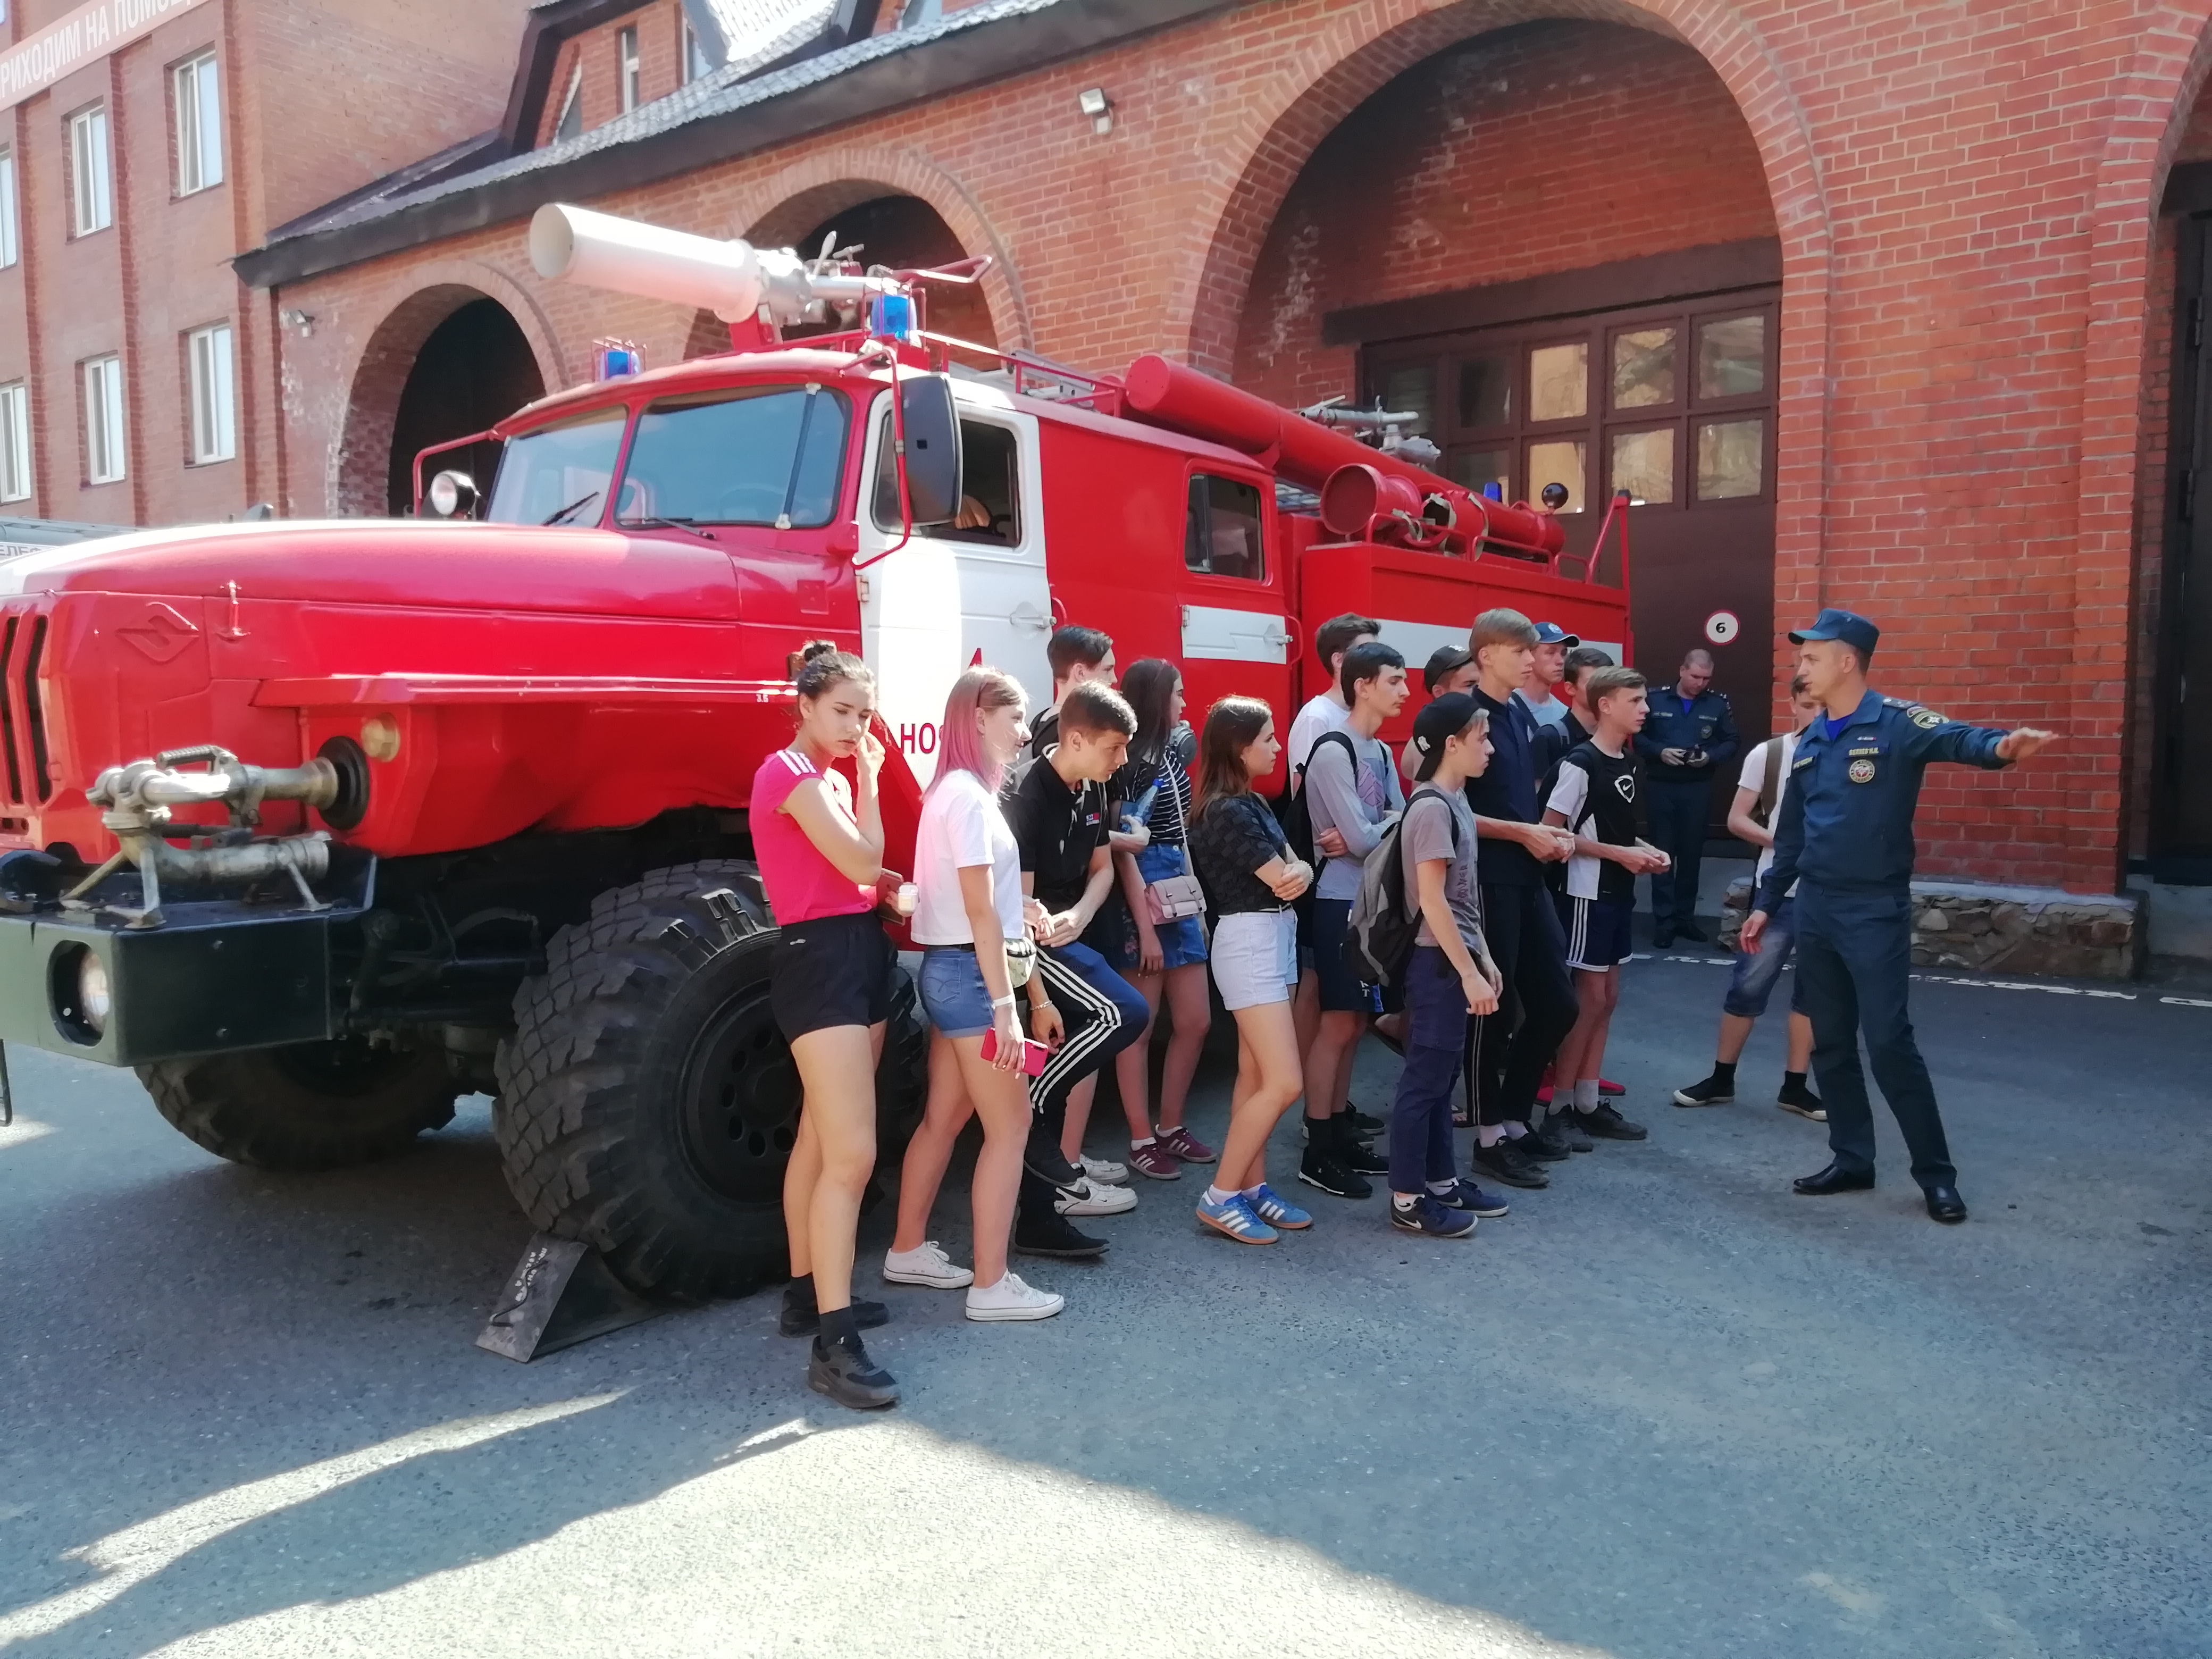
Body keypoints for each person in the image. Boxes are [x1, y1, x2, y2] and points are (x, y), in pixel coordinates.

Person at [1741, 609, 2054, 1224]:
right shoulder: (1809, 745)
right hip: (1816, 909)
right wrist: (1765, 905)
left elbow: (1957, 738)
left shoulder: (1895, 723)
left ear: (1845, 661)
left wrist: (2001, 748)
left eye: (1810, 657)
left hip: (1870, 909)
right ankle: (1852, 1158)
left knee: (1888, 1043)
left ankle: (1935, 1176)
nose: (1800, 667)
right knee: (1829, 1042)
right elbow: (1792, 839)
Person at [887, 665, 1065, 1323]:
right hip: (972, 980)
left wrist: (1023, 907)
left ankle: (907, 1248)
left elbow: (983, 904)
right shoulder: (966, 798)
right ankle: (990, 1284)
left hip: (954, 972)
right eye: (1015, 718)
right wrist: (1005, 1010)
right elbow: (979, 914)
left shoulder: (955, 793)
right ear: (978, 718)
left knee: (945, 1119)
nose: (1024, 732)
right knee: (1010, 1126)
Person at [751, 646, 903, 1410]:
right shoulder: (788, 774)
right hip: (820, 962)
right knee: (850, 1154)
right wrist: (872, 782)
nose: (854, 725)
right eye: (841, 710)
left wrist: (862, 784)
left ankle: (807, 1293)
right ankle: (833, 1343)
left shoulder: (826, 779)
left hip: (855, 949)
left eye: (864, 714)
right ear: (805, 704)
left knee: (821, 1138)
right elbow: (863, 860)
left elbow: (860, 878)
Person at [1003, 679, 1153, 1254]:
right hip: (1029, 945)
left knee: (1061, 1066)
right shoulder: (1026, 795)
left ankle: (1040, 1222)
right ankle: (1035, 1108)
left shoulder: (1092, 785)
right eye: (1112, 748)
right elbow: (1018, 916)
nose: (1119, 761)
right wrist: (1038, 996)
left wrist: (1083, 915)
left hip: (1069, 931)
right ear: (1075, 738)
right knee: (1126, 1012)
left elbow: (1102, 870)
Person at [1186, 697, 1316, 1244]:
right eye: (1267, 739)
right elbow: (1283, 875)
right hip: (1249, 941)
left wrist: (1299, 871)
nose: (1277, 746)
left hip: (1272, 935)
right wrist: (1297, 871)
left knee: (1256, 1076)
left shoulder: (1252, 804)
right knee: (1284, 1081)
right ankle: (1219, 1196)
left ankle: (1251, 1188)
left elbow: (1297, 869)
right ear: (1241, 748)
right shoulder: (1227, 811)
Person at [1459, 608, 1581, 1186]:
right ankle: (1487, 1137)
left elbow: (1517, 803)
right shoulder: (1467, 716)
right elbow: (1443, 807)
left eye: (1533, 650)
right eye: (1520, 650)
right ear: (1486, 655)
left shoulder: (1518, 717)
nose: (1532, 659)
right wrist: (1521, 833)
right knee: (1494, 1009)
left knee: (1558, 1004)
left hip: (1527, 878)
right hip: (1486, 881)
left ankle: (1511, 1119)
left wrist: (1544, 834)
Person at [1674, 674, 1826, 1119]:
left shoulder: (1847, 755)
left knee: (1813, 994)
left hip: (1824, 894)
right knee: (1748, 984)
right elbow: (1738, 818)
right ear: (1793, 705)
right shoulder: (1772, 754)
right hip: (1776, 889)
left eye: (1824, 704)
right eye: (1809, 705)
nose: (1817, 713)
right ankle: (1721, 1078)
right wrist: (1781, 844)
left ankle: (1795, 1087)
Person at [1388, 694, 1510, 1237]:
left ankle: (1439, 1182)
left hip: (1454, 958)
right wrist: (1465, 972)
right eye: (1481, 738)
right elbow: (1433, 902)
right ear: (1452, 745)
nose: (1490, 747)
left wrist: (1482, 958)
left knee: (1440, 1079)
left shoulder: (1455, 801)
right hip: (1435, 962)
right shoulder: (1434, 808)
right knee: (1424, 1082)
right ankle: (1408, 1199)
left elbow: (1465, 900)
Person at [1095, 658, 1216, 1181]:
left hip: (1175, 885)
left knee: (1195, 1020)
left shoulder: (1168, 754)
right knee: (1139, 1027)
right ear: (1156, 699)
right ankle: (1141, 1137)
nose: (1185, 704)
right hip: (1140, 887)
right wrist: (1143, 924)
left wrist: (1196, 903)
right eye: (1178, 694)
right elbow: (1122, 847)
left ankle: (1170, 1127)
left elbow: (1180, 833)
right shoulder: (1127, 760)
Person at [1298, 640, 1409, 1200]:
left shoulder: (1381, 753)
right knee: (1338, 1024)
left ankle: (1338, 1134)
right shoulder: (1333, 748)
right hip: (1338, 902)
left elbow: (1390, 827)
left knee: (1357, 1024)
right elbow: (1367, 841)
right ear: (1362, 684)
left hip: (1368, 904)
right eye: (1394, 680)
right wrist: (1385, 825)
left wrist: (1380, 824)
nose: (1404, 691)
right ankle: (1317, 1148)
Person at [1540, 666, 1666, 1143]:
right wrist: (1621, 853)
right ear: (1606, 705)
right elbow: (1552, 832)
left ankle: (1588, 1101)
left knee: (1608, 997)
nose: (1645, 709)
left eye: (1645, 700)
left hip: (1617, 890)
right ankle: (1559, 1107)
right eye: (1635, 701)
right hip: (1585, 892)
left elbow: (1612, 827)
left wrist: (1644, 851)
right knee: (1589, 998)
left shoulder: (1631, 762)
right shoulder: (1580, 762)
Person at [1634, 648, 1738, 947]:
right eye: (1695, 676)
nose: (1700, 683)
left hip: (1697, 787)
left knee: (1692, 856)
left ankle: (1685, 919)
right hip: (1661, 786)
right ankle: (1664, 922)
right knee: (1662, 855)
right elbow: (1636, 736)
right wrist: (1659, 752)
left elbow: (1732, 740)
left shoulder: (1717, 704)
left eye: (1706, 678)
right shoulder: (1654, 699)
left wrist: (1709, 757)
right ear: (1682, 670)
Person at [1028, 625, 1116, 760]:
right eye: (1107, 670)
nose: (1114, 679)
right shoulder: (1071, 729)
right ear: (1080, 673)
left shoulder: (1038, 721)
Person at [1398, 644, 1479, 785]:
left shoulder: (1465, 728)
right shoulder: (1433, 740)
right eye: (1469, 685)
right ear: (1439, 692)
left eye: (1480, 682)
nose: (1479, 690)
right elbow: (1426, 801)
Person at [1515, 621, 1578, 732]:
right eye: (1551, 653)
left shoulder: (1565, 713)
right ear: (1530, 655)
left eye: (1564, 653)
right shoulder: (1508, 707)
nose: (1560, 661)